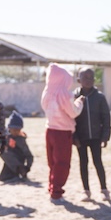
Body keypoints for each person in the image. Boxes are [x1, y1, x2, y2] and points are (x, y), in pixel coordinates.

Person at [41, 63, 84, 203]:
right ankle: (56, 192)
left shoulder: (47, 92)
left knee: (52, 163)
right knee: (62, 163)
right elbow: (73, 112)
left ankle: (52, 187)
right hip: (63, 132)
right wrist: (79, 102)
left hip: (49, 130)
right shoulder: (64, 93)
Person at [74, 67, 111, 202]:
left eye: (91, 78)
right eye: (85, 78)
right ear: (79, 80)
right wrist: (74, 137)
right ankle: (86, 191)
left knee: (98, 162)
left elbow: (106, 117)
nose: (88, 80)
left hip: (96, 136)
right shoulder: (74, 97)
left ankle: (104, 190)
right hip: (81, 137)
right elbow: (71, 118)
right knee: (83, 163)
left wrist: (105, 136)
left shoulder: (100, 97)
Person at [0, 111, 34, 183]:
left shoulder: (21, 140)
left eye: (18, 130)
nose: (15, 132)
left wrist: (27, 167)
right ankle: (12, 172)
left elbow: (29, 155)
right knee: (3, 151)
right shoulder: (6, 137)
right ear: (9, 128)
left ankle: (20, 170)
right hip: (9, 160)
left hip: (19, 160)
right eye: (14, 130)